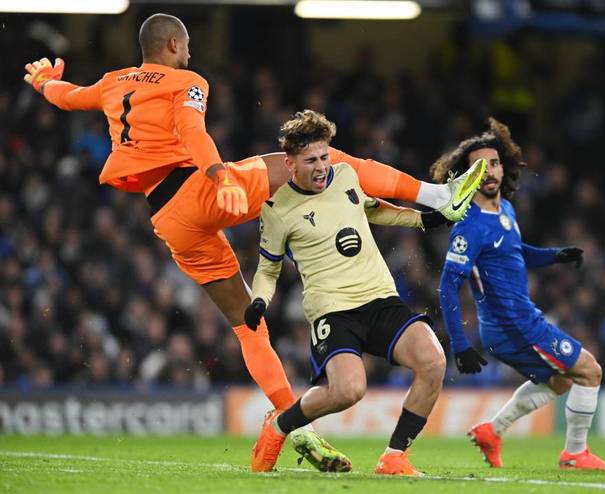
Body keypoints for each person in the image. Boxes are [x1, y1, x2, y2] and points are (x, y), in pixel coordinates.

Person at [23, 13, 483, 472]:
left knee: (247, 326)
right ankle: (437, 195)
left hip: (167, 217)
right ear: (172, 45)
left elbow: (69, 97)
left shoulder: (113, 81)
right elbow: (192, 130)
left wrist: (44, 81)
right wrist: (219, 175)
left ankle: (291, 423)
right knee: (324, 160)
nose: (190, 53)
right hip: (199, 190)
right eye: (186, 44)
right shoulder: (186, 81)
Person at [246, 110, 451, 475]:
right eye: (311, 160)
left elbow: (372, 209)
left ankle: (394, 457)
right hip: (332, 310)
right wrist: (260, 300)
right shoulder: (278, 210)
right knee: (348, 391)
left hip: (379, 296)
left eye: (325, 156)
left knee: (433, 361)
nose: (321, 167)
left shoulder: (346, 176)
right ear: (290, 163)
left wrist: (423, 219)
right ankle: (279, 425)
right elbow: (268, 267)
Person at [434, 118, 605, 471]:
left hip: (520, 321)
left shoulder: (505, 209)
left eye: (494, 163)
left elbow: (516, 252)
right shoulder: (470, 226)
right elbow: (447, 286)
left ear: (503, 168)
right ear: (467, 176)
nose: (489, 171)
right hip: (513, 326)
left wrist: (555, 256)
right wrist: (459, 344)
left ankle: (492, 430)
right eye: (478, 167)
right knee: (590, 371)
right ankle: (575, 453)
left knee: (560, 381)